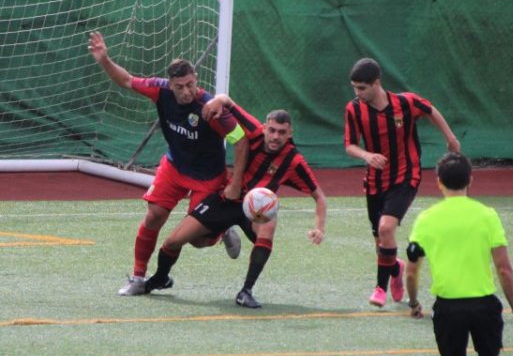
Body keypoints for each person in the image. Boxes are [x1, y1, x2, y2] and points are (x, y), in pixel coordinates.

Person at [88, 32, 248, 296]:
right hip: (174, 168)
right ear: (170, 84)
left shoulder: (210, 108)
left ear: (196, 80)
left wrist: (237, 184)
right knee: (154, 216)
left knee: (197, 240)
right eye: (180, 86)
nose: (186, 91)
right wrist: (104, 59)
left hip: (208, 178)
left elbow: (240, 141)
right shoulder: (160, 91)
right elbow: (126, 80)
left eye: (191, 84)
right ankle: (138, 278)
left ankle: (221, 229)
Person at [144, 94, 327, 308]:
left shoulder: (293, 160)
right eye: (272, 130)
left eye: (282, 132)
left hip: (255, 211)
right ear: (266, 127)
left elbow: (320, 197)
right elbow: (226, 100)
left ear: (290, 133)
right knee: (177, 241)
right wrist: (214, 102)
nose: (275, 136)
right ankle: (161, 278)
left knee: (269, 220)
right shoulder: (255, 132)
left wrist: (319, 228)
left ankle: (246, 291)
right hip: (227, 198)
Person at [344, 57, 461, 307]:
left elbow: (430, 110)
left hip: (406, 176)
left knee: (387, 229)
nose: (357, 93)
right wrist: (367, 155)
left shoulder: (405, 103)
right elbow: (349, 145)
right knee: (381, 243)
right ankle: (396, 270)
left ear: (377, 83)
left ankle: (379, 289)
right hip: (375, 181)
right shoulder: (354, 109)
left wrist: (450, 138)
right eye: (354, 87)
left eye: (362, 88)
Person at [405, 152, 513, 356]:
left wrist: (414, 303)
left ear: (439, 182)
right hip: (484, 306)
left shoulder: (425, 219)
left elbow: (411, 271)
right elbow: (504, 268)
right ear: (470, 180)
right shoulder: (487, 215)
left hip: (447, 308)